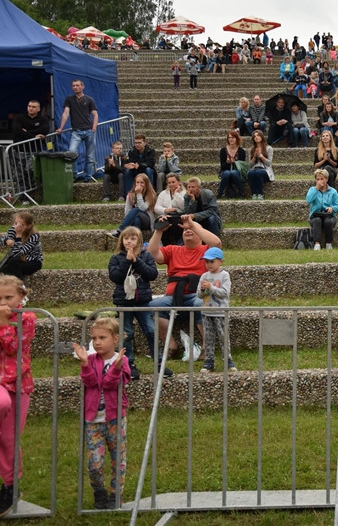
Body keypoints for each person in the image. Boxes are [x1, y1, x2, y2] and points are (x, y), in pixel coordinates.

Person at [147, 215, 222, 376]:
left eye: (191, 230)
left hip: (198, 294)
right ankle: (171, 345)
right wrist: (159, 231)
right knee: (153, 306)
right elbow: (152, 254)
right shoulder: (173, 249)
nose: (187, 231)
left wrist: (193, 225)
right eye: (185, 230)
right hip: (173, 297)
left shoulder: (206, 251)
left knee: (201, 303)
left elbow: (217, 243)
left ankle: (205, 347)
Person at [72, 318, 129, 510]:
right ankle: (99, 492)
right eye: (94, 338)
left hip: (115, 419)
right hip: (93, 421)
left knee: (118, 459)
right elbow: (89, 383)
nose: (97, 342)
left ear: (115, 339)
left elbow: (109, 384)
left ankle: (115, 495)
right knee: (94, 463)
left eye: (102, 337)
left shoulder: (123, 361)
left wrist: (117, 367)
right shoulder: (91, 360)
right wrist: (85, 364)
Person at [0, 276, 33, 516]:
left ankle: (10, 486)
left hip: (18, 385)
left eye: (9, 298)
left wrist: (3, 324)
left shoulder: (27, 318)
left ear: (21, 297)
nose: (3, 303)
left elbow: (13, 348)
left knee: (9, 439)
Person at [107, 226, 157, 380]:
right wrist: (127, 261)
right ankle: (130, 365)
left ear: (139, 241)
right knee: (126, 334)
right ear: (122, 241)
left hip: (142, 301)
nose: (129, 241)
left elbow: (152, 274)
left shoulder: (146, 256)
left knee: (151, 331)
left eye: (133, 238)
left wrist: (137, 261)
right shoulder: (116, 258)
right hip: (124, 302)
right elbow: (115, 277)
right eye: (126, 238)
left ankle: (159, 362)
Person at [197, 247, 235, 372]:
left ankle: (227, 359)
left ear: (221, 261)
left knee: (223, 336)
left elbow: (224, 293)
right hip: (207, 311)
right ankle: (209, 360)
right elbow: (199, 295)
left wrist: (211, 287)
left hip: (221, 312)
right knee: (208, 337)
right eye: (206, 262)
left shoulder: (224, 275)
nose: (209, 264)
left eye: (212, 261)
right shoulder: (204, 276)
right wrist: (203, 290)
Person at [57, 79, 99, 181]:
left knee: (90, 156)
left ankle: (87, 176)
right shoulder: (69, 99)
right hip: (76, 131)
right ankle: (74, 175)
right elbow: (66, 113)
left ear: (82, 86)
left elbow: (95, 114)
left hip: (89, 130)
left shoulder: (89, 99)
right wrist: (61, 127)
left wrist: (94, 127)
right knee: (72, 152)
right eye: (73, 86)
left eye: (77, 85)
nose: (75, 87)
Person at [1, 212, 42, 279]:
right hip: (16, 260)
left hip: (32, 261)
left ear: (28, 226)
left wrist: (18, 235)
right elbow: (2, 240)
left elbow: (18, 253)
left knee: (12, 264)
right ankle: (16, 286)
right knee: (8, 264)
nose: (17, 226)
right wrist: (6, 241)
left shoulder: (34, 236)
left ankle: (19, 286)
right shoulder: (13, 229)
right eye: (15, 223)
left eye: (22, 225)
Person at [245, 130, 274, 201]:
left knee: (258, 173)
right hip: (254, 169)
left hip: (265, 170)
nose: (256, 137)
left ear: (261, 137)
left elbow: (269, 163)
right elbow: (250, 165)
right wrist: (254, 157)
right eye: (254, 136)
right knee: (250, 173)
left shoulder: (269, 148)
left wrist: (260, 156)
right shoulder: (251, 149)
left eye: (258, 135)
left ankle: (260, 194)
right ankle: (254, 194)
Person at [216, 131, 246, 200]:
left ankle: (242, 193)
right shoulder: (223, 150)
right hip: (225, 171)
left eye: (233, 137)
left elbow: (242, 166)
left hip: (237, 171)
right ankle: (219, 194)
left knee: (233, 173)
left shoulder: (241, 151)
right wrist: (227, 162)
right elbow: (222, 166)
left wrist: (234, 162)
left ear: (237, 139)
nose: (231, 139)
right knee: (227, 173)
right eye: (229, 138)